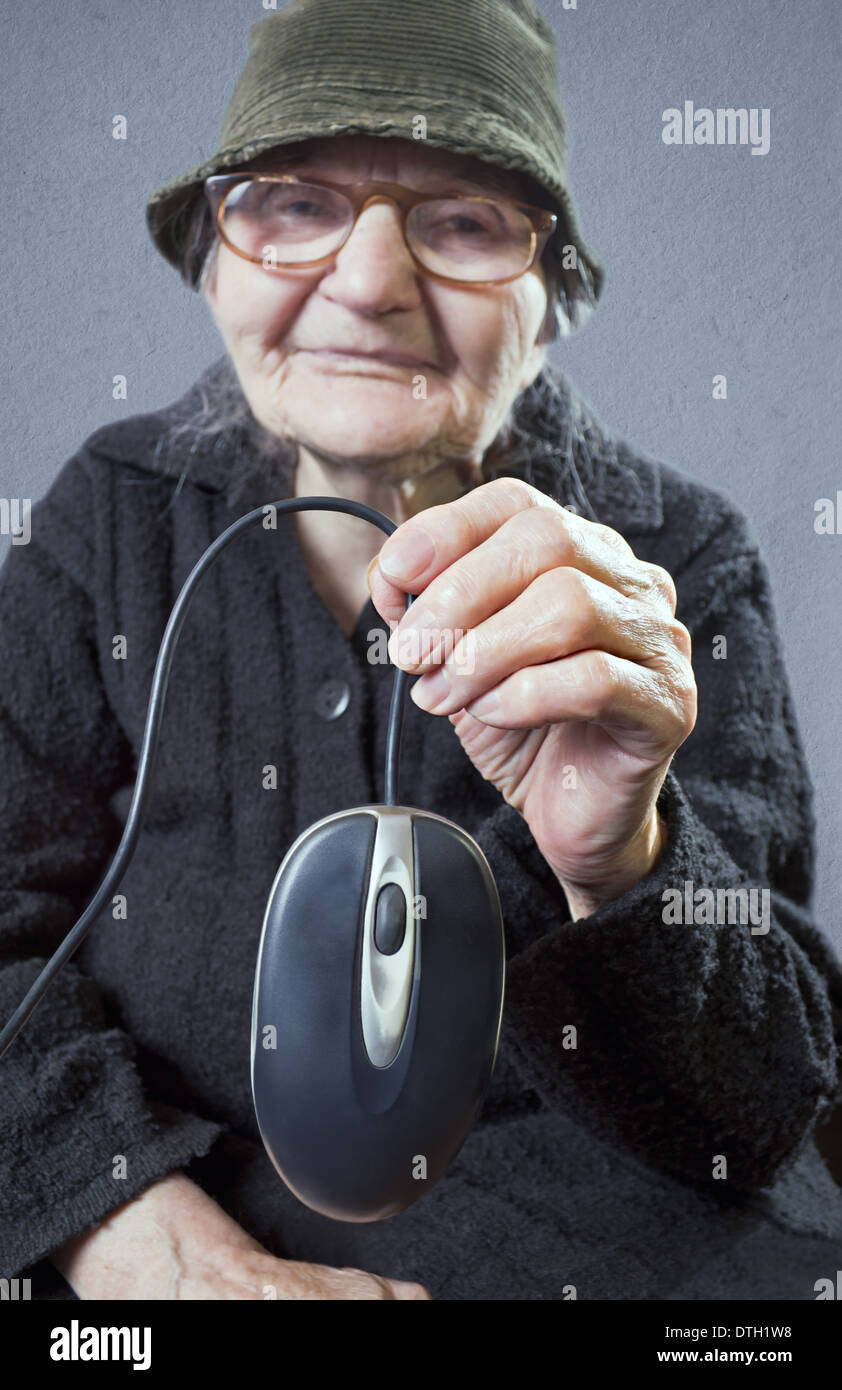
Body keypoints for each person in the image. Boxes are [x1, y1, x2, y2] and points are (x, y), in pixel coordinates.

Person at [2, 0, 841, 1302]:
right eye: (290, 204)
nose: (370, 281)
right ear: (208, 261)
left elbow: (764, 1108)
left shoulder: (680, 550)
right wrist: (120, 1217)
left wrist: (618, 856)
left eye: (460, 223)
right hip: (160, 1192)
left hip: (583, 1242)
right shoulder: (108, 514)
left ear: (551, 301)